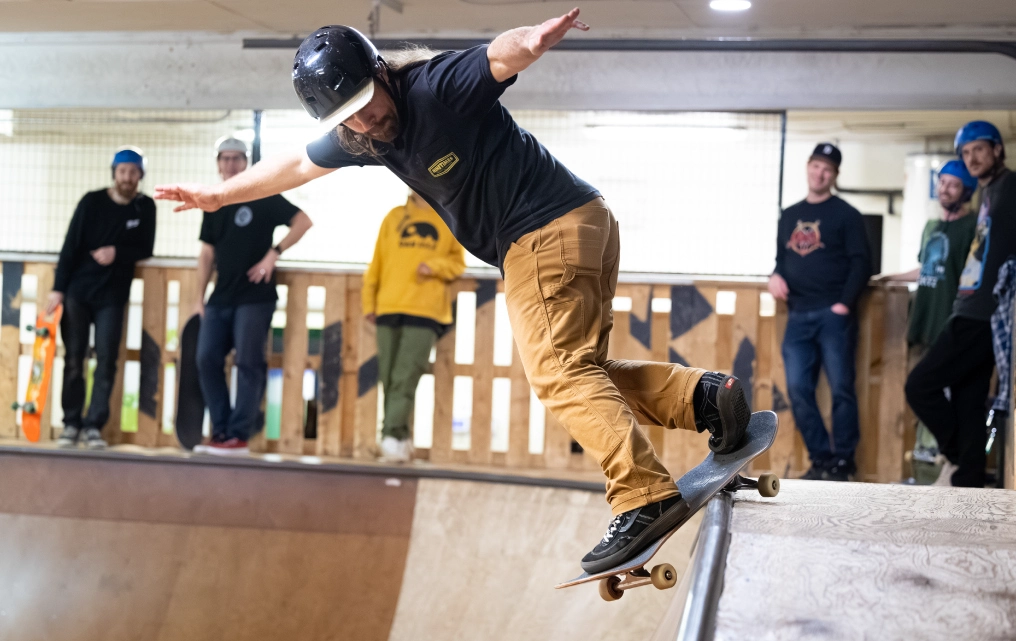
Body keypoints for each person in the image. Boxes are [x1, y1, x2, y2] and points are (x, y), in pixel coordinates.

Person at [156, 11, 751, 574]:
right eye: (349, 119)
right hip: (580, 221)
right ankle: (704, 399)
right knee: (580, 370)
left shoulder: (432, 88)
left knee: (558, 375)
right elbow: (295, 167)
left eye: (367, 105)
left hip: (542, 230)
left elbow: (497, 56)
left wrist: (535, 41)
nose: (366, 123)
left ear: (379, 72)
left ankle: (643, 496)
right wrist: (218, 196)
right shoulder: (358, 136)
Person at [905, 121, 1016, 487]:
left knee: (920, 386)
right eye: (965, 153)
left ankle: (956, 455)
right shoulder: (989, 193)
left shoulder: (1010, 187)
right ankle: (968, 476)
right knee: (969, 401)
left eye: (979, 150)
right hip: (969, 307)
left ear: (997, 150)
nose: (972, 158)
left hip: (985, 313)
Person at [192, 136, 313, 456]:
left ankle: (238, 436)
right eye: (225, 159)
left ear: (246, 163)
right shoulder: (212, 202)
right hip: (220, 298)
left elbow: (303, 222)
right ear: (218, 164)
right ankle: (220, 432)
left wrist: (274, 254)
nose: (230, 164)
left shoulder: (264, 195)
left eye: (236, 159)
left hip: (255, 298)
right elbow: (206, 254)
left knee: (248, 364)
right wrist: (198, 298)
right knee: (206, 359)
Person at [769, 143, 872, 481]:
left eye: (828, 169)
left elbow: (862, 263)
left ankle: (844, 462)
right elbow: (781, 260)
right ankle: (821, 460)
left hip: (834, 315)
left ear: (835, 175)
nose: (820, 173)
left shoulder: (846, 215)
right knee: (798, 389)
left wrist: (844, 304)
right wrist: (775, 275)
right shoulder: (788, 215)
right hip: (797, 315)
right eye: (816, 166)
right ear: (808, 167)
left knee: (842, 387)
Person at [49, 147, 156, 449]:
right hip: (78, 293)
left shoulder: (145, 207)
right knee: (74, 359)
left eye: (133, 172)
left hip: (113, 296)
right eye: (122, 171)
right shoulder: (91, 201)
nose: (127, 177)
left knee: (107, 361)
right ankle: (71, 423)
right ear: (114, 173)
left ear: (140, 176)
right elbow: (70, 246)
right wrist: (58, 289)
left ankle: (93, 425)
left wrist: (116, 253)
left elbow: (146, 247)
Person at [879, 160, 978, 483]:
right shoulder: (931, 227)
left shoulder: (972, 226)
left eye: (953, 184)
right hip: (927, 322)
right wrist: (890, 275)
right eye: (942, 182)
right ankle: (950, 462)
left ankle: (956, 458)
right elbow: (926, 270)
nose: (945, 189)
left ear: (966, 190)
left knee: (938, 392)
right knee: (930, 393)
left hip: (955, 324)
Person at [364, 191, 466, 463]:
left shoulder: (447, 218)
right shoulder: (393, 217)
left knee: (405, 376)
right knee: (389, 376)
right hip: (388, 306)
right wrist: (368, 302)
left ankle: (388, 436)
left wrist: (433, 267)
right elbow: (377, 262)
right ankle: (401, 438)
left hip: (425, 310)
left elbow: (458, 263)